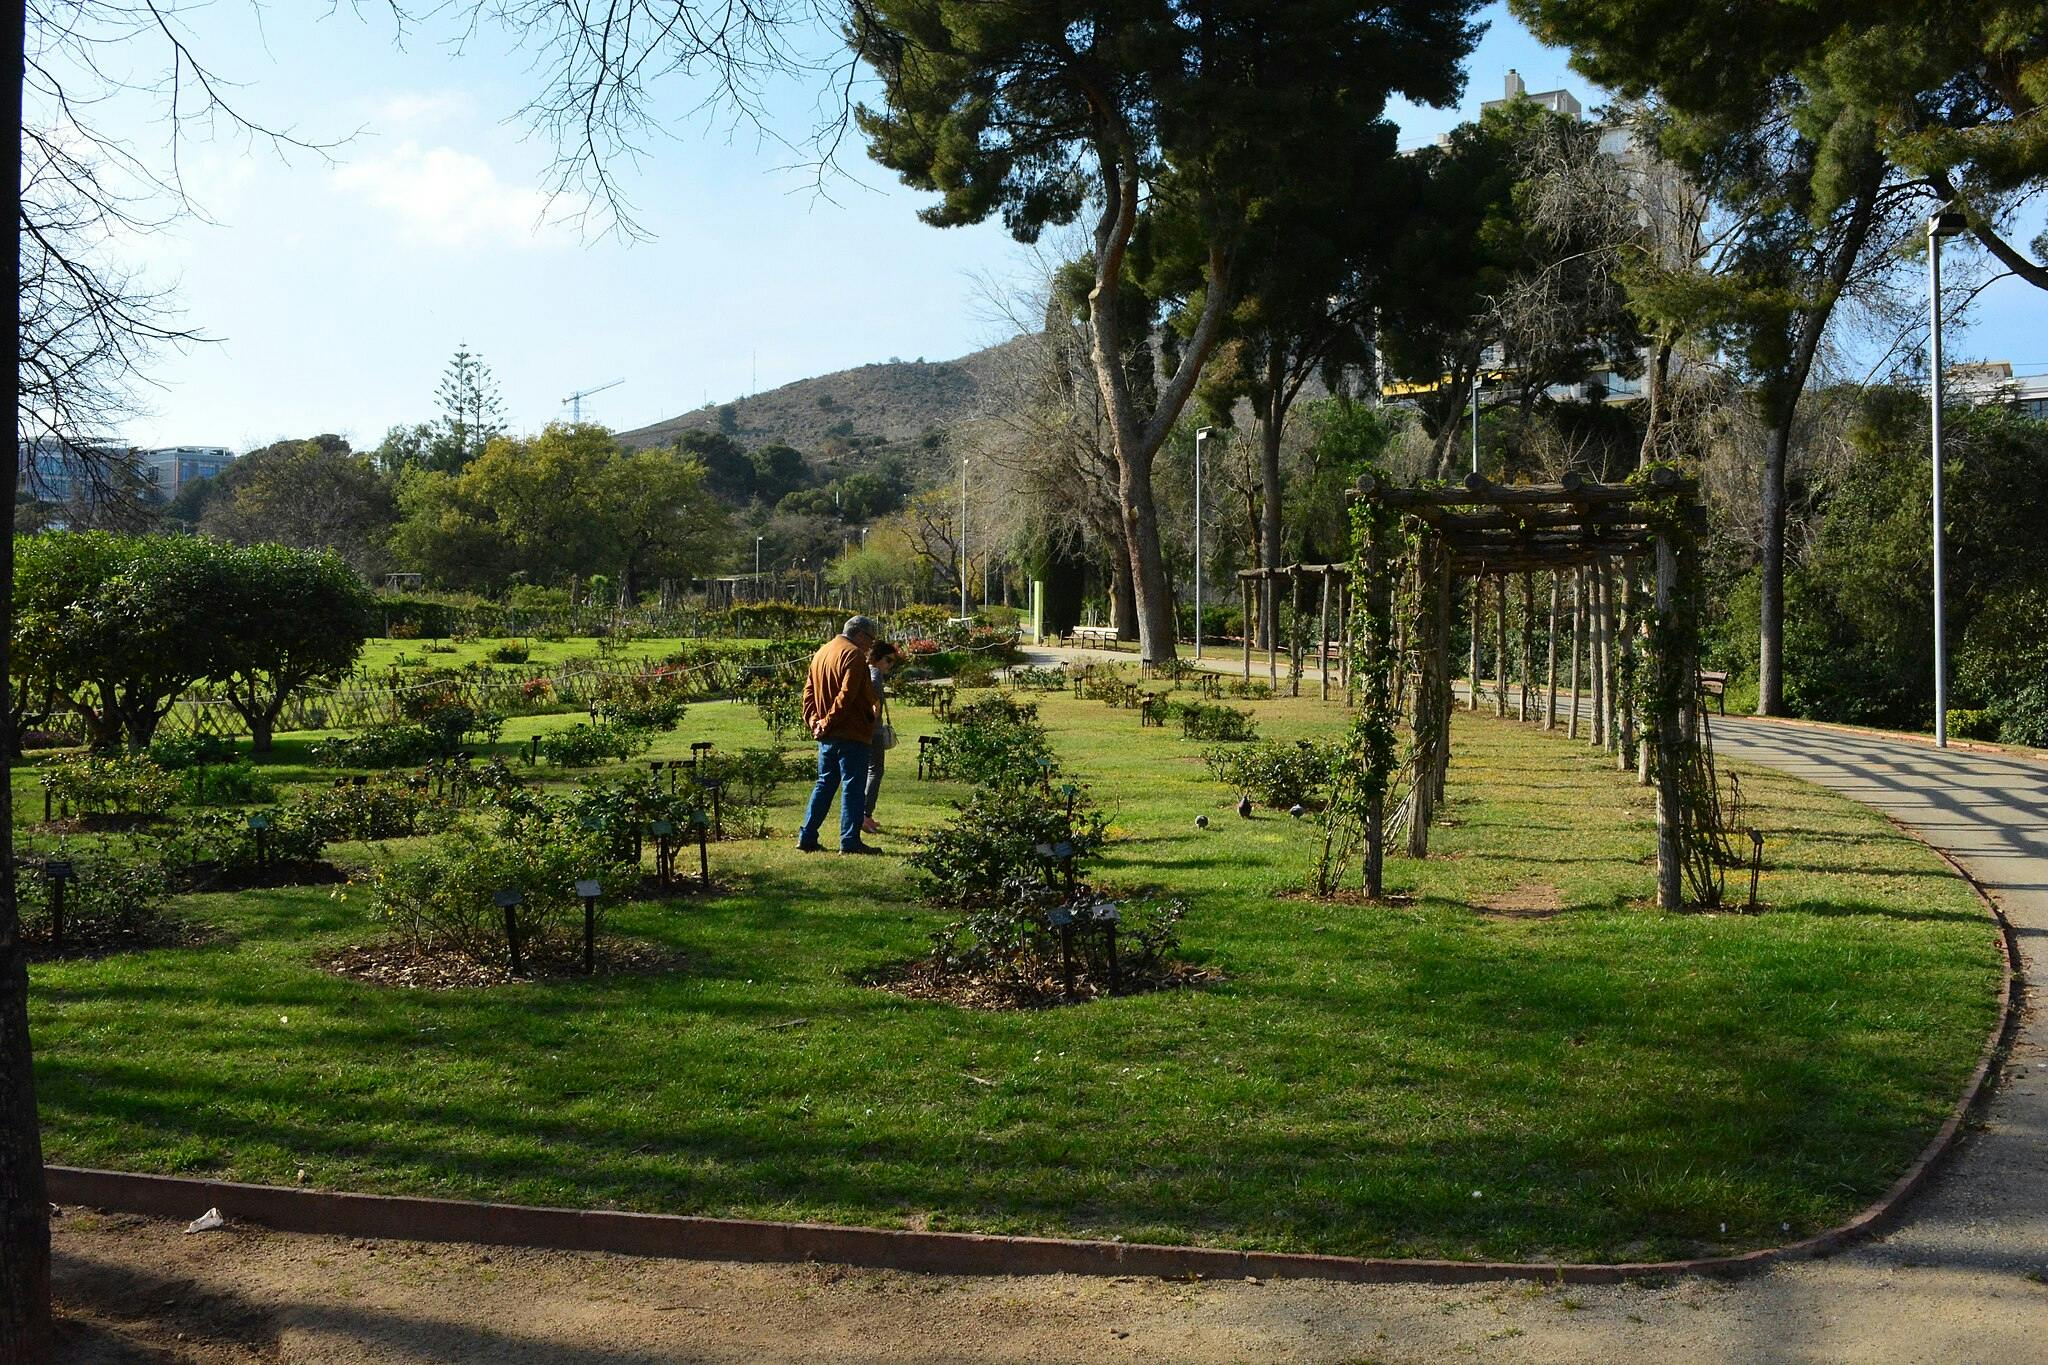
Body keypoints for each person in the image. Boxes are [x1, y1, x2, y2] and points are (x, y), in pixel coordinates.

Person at [797, 615, 883, 854]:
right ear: (859, 634)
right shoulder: (853, 655)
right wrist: (826, 722)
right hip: (850, 732)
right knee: (853, 787)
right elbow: (847, 696)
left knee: (824, 784)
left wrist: (814, 721)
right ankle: (849, 841)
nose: (870, 646)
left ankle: (807, 836)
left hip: (827, 736)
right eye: (870, 639)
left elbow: (808, 693)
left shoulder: (822, 652)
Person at [861, 640, 903, 835]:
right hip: (873, 732)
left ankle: (864, 814)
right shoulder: (875, 674)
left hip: (865, 731)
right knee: (875, 772)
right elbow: (874, 706)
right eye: (888, 660)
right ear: (877, 658)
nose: (890, 666)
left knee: (868, 772)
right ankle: (865, 814)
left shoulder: (866, 671)